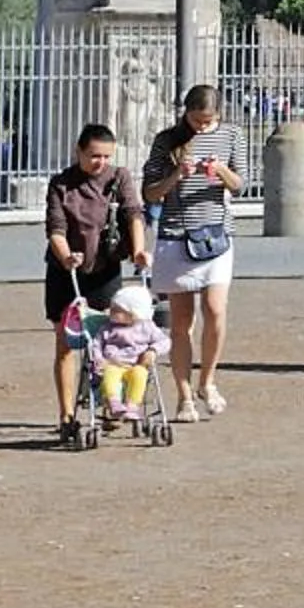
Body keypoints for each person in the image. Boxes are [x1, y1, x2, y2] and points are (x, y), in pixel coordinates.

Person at [142, 83, 246, 418]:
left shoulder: (232, 135)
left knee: (216, 310)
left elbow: (240, 185)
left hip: (216, 233)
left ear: (219, 115)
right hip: (175, 234)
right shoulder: (166, 140)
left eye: (208, 120)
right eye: (196, 119)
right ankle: (184, 396)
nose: (201, 126)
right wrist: (177, 175)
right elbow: (150, 193)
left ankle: (208, 380)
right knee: (181, 321)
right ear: (185, 112)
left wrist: (220, 171)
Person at [43, 124, 140, 446]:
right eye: (93, 156)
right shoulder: (61, 184)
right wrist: (65, 255)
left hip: (105, 269)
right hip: (66, 273)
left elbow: (133, 214)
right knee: (66, 343)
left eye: (106, 156)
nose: (100, 162)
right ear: (79, 151)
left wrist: (139, 249)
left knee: (114, 341)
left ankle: (112, 404)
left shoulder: (119, 177)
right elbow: (55, 228)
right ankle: (67, 414)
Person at [85, 284, 169, 426]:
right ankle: (114, 403)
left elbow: (164, 341)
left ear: (134, 313)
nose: (111, 311)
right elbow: (96, 345)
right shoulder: (107, 328)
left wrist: (152, 350)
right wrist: (99, 359)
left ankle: (132, 405)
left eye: (117, 310)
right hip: (112, 365)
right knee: (110, 374)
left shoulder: (146, 327)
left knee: (140, 375)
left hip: (136, 364)